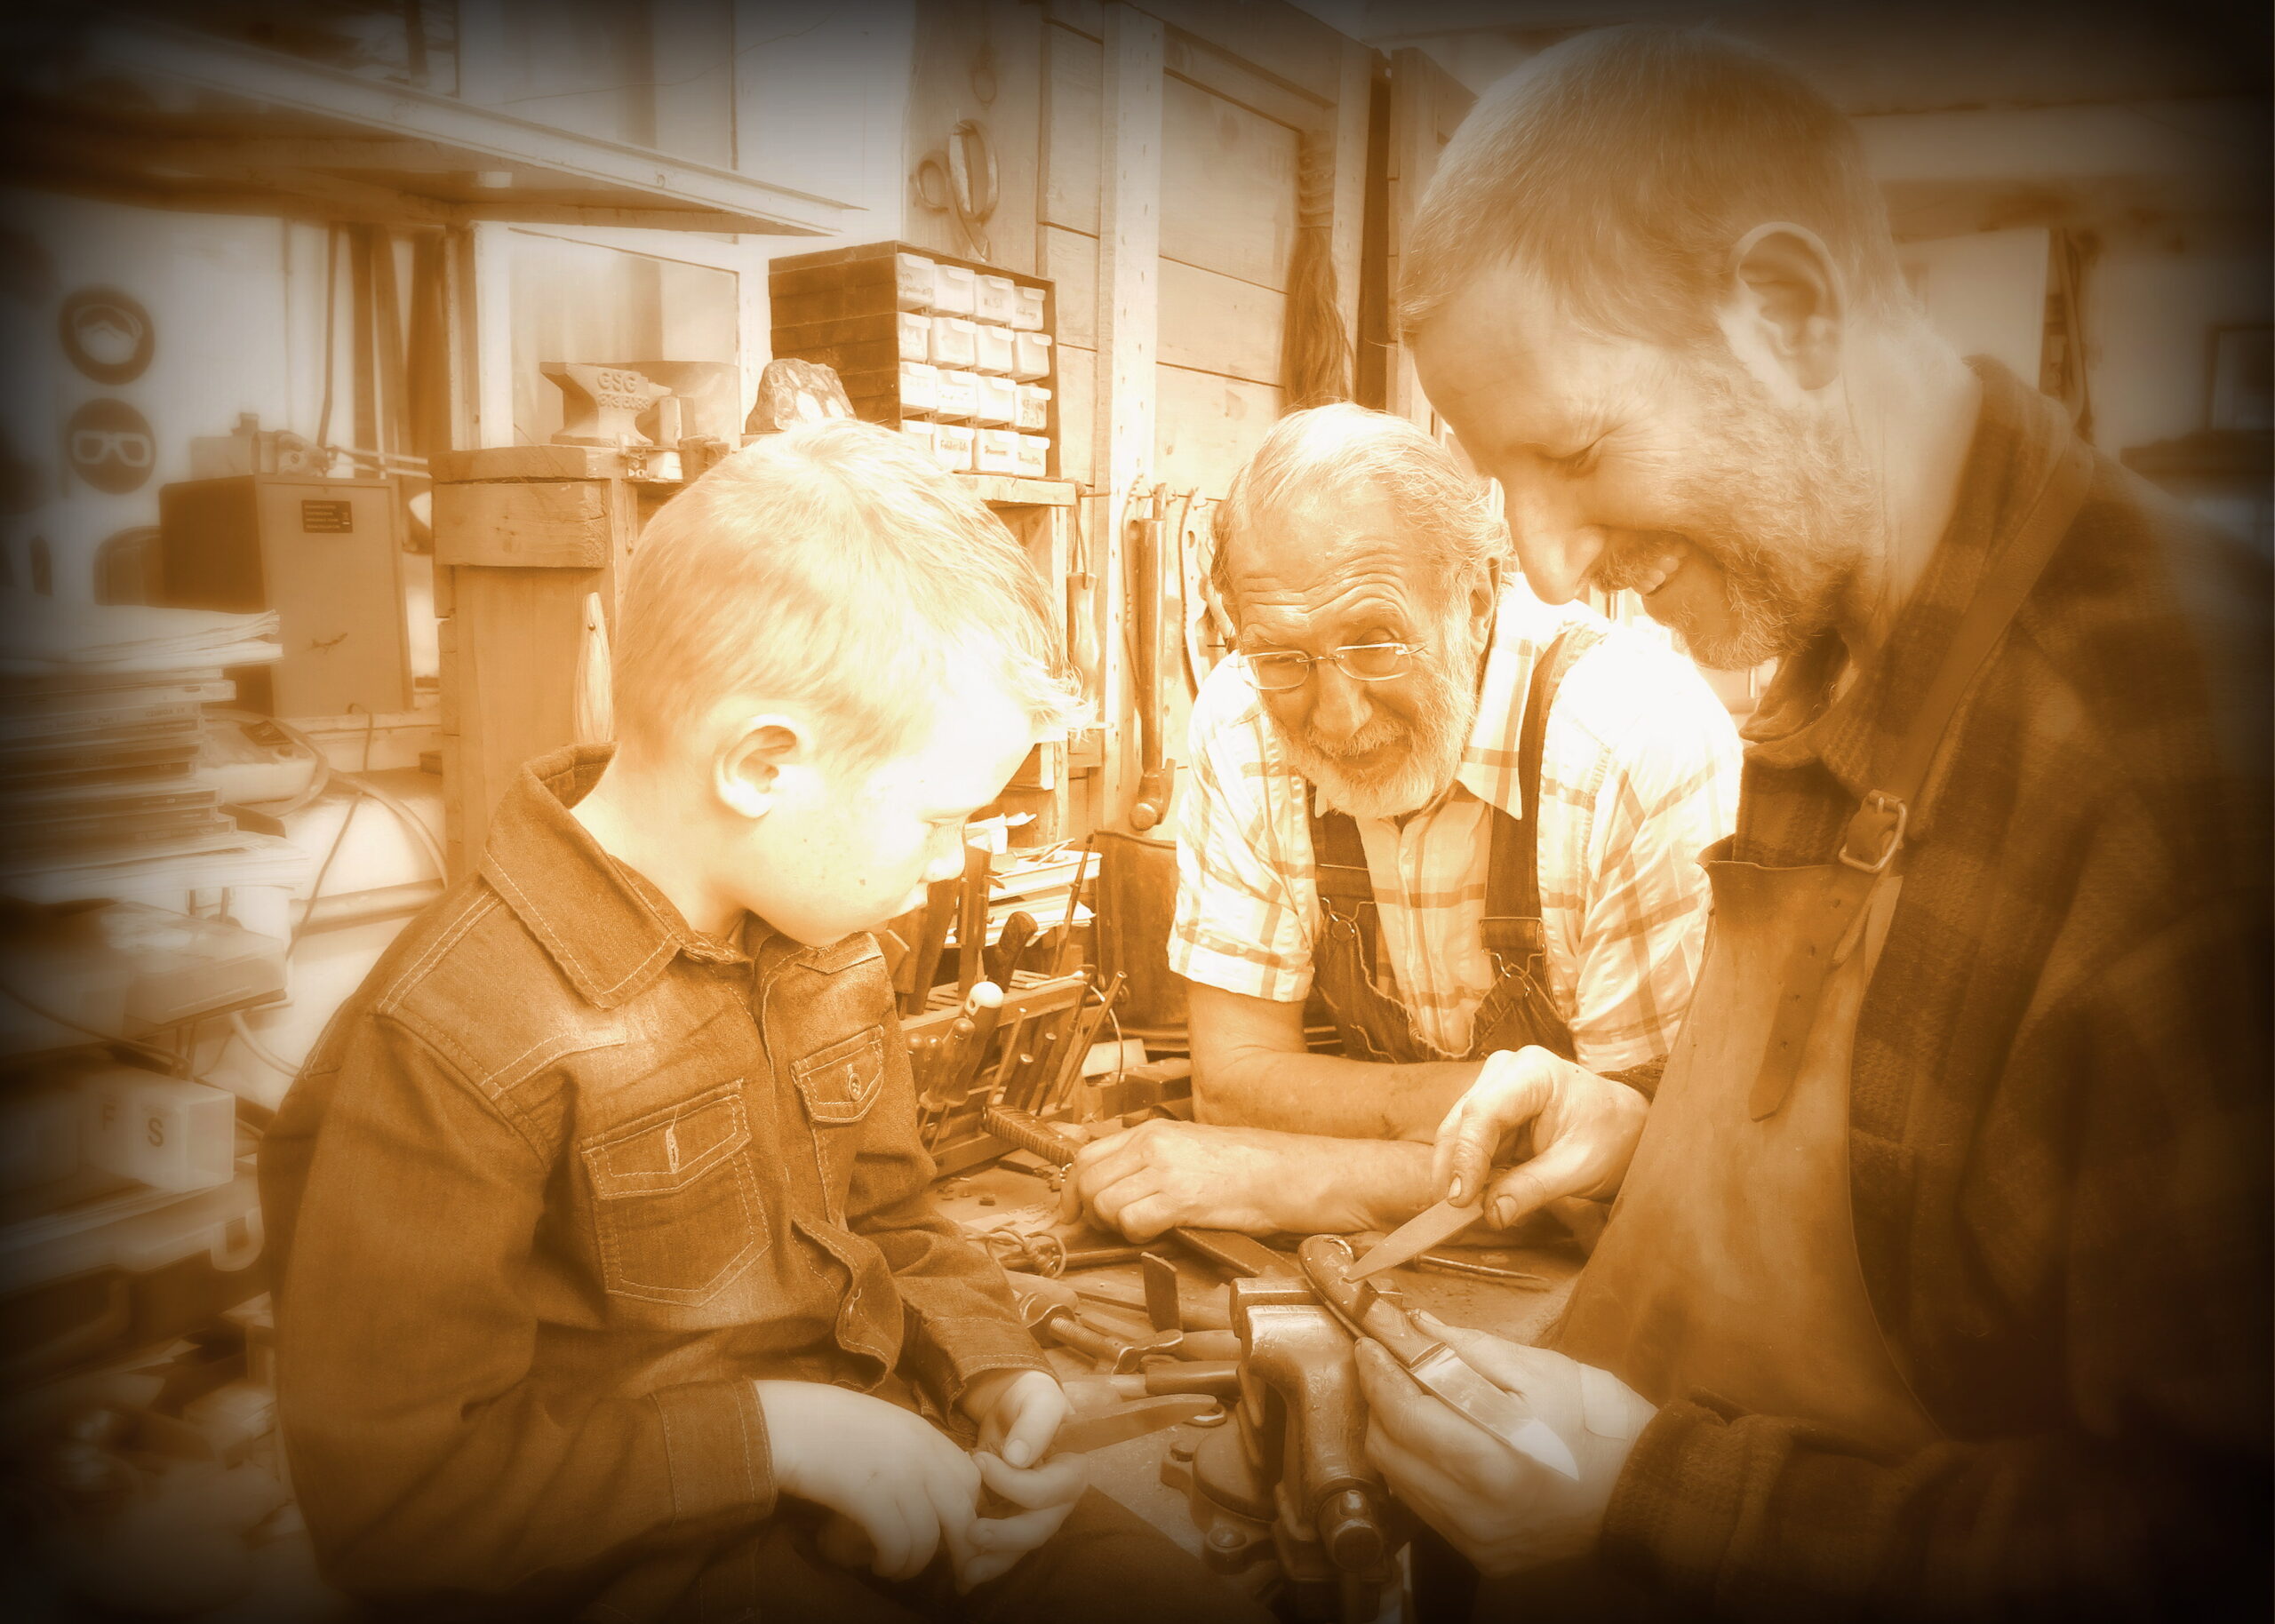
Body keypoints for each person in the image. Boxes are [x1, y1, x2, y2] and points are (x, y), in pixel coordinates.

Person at [1347, 25, 2271, 1620]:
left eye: (1573, 450)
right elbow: (1950, 1226)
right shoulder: (1827, 625)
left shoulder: (2178, 757)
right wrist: (1640, 1154)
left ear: (1790, 314)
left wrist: (1664, 1496)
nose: (1551, 567)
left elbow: (2215, 1538)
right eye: (1500, 478)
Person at [259, 423, 1270, 1624]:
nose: (952, 865)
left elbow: (893, 1216)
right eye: (939, 819)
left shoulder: (823, 934)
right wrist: (772, 1436)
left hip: (893, 1475)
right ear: (761, 768)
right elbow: (397, 1503)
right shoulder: (452, 1043)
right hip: (632, 1563)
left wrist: (993, 1367)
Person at [1074, 404, 1739, 1241]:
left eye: (1376, 642)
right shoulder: (1242, 720)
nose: (1339, 718)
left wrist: (1312, 1176)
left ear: (1472, 597)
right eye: (1283, 655)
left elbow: (1654, 1160)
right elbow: (1233, 1084)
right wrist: (1502, 1125)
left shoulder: (1635, 744)